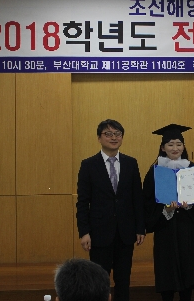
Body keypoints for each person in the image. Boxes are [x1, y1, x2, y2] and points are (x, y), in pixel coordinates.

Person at [76, 119, 146, 301]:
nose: (113, 138)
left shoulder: (131, 163)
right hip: (99, 233)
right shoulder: (88, 165)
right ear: (99, 138)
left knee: (123, 280)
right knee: (99, 281)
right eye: (108, 134)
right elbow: (83, 202)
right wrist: (84, 232)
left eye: (117, 134)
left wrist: (140, 228)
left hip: (125, 232)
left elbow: (137, 198)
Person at [142, 124, 194, 301]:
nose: (175, 148)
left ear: (183, 146)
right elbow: (147, 202)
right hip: (165, 230)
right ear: (163, 147)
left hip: (187, 228)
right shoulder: (155, 171)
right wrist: (166, 210)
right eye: (170, 144)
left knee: (188, 274)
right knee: (167, 273)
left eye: (179, 144)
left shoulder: (193, 169)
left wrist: (190, 205)